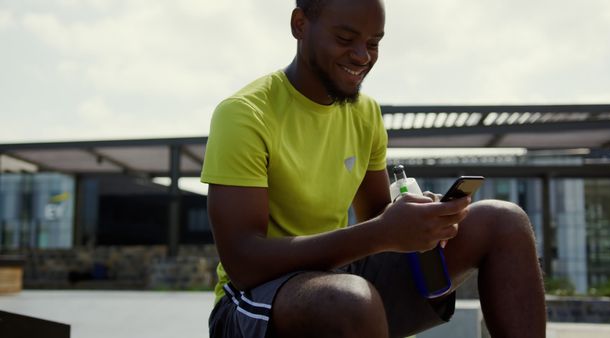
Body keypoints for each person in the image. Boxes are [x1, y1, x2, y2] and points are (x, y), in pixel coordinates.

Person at [200, 0, 547, 337]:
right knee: (350, 301)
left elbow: (376, 216)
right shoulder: (244, 115)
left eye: (373, 43)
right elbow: (244, 263)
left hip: (337, 278)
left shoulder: (365, 113)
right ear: (300, 25)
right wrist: (383, 231)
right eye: (345, 39)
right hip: (251, 301)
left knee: (504, 221)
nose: (363, 56)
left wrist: (418, 220)